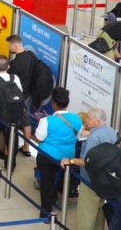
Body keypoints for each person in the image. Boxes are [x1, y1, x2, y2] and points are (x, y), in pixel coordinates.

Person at [65, 107, 116, 230]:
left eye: (89, 118)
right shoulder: (111, 132)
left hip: (90, 181)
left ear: (97, 122)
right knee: (99, 213)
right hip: (107, 181)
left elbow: (87, 162)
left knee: (86, 214)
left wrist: (71, 160)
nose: (86, 120)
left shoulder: (94, 138)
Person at [35, 87, 83, 220]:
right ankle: (55, 194)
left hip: (47, 157)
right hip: (67, 157)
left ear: (53, 104)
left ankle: (45, 212)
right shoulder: (77, 120)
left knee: (46, 181)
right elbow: (78, 137)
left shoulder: (47, 120)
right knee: (59, 178)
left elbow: (39, 138)